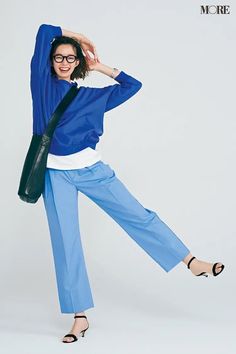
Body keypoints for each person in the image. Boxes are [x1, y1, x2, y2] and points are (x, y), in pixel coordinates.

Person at [30, 23, 225, 344]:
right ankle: (80, 316)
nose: (64, 63)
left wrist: (98, 66)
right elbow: (42, 34)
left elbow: (132, 85)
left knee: (138, 215)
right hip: (55, 174)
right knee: (66, 242)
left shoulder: (93, 96)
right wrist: (75, 36)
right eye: (58, 58)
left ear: (79, 62)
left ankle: (191, 261)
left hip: (92, 170)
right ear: (50, 62)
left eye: (70, 58)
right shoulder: (42, 86)